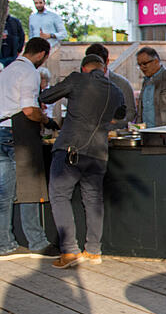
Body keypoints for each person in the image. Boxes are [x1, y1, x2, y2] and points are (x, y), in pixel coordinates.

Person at [39, 54, 125, 268]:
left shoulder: (77, 79)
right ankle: (94, 251)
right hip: (99, 152)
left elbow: (47, 96)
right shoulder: (115, 89)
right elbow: (121, 114)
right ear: (103, 69)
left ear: (84, 68)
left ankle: (69, 251)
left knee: (59, 196)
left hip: (72, 147)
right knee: (93, 200)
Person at [0, 37, 57, 258]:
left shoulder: (7, 70)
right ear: (42, 55)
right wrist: (46, 120)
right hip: (18, 133)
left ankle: (5, 244)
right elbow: (28, 110)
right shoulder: (30, 72)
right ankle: (37, 242)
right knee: (29, 190)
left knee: (4, 193)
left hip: (1, 131)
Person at [84, 43, 136, 129]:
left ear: (107, 62)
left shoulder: (122, 84)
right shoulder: (82, 84)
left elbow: (130, 113)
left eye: (99, 65)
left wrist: (115, 123)